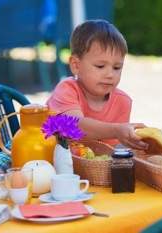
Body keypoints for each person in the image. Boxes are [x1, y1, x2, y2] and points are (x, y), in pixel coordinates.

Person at [47, 19, 147, 150]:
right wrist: (117, 130)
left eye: (117, 67)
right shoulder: (66, 89)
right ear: (76, 65)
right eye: (100, 66)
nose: (110, 74)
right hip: (48, 163)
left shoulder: (122, 102)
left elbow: (105, 151)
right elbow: (73, 128)